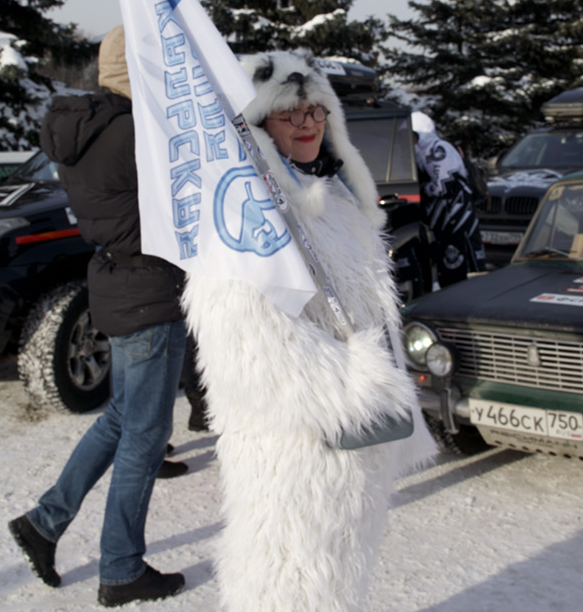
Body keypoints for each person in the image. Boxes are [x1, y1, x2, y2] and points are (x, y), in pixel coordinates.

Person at [182, 51, 434, 612]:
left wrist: (387, 401)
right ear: (257, 124)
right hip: (296, 447)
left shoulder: (334, 201)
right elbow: (244, 340)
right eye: (289, 114)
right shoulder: (244, 212)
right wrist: (357, 389)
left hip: (355, 444)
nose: (307, 125)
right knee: (285, 576)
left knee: (339, 574)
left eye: (317, 111)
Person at [9, 25, 187, 607]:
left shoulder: (87, 126)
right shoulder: (138, 132)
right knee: (145, 433)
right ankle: (120, 568)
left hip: (116, 281)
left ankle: (44, 522)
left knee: (118, 419)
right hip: (149, 289)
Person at [411, 111, 486, 287]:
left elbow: (442, 184)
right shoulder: (425, 151)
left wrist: (424, 189)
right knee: (449, 269)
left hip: (456, 217)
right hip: (447, 220)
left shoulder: (438, 148)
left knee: (463, 265)